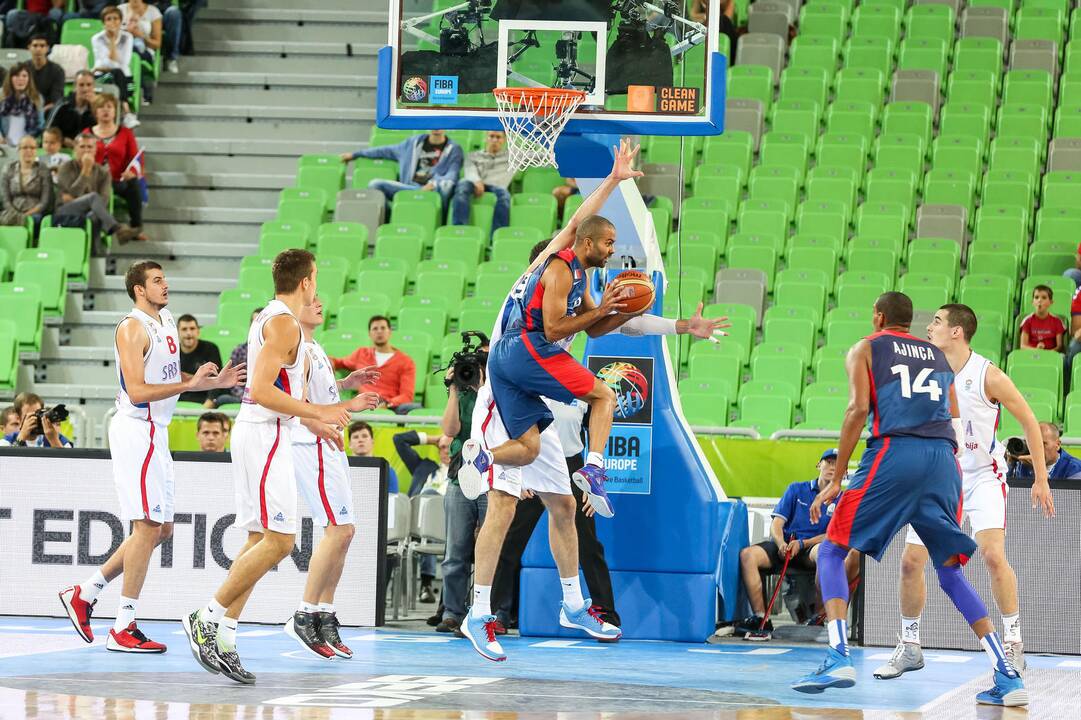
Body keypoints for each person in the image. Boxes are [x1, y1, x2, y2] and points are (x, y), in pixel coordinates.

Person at [456, 141, 728, 661]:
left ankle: (572, 602)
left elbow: (608, 321)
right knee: (504, 504)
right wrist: (614, 180)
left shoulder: (579, 278)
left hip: (539, 383)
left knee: (559, 500)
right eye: (605, 244)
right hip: (507, 379)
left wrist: (679, 326)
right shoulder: (553, 266)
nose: (610, 252)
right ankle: (479, 609)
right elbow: (567, 304)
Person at [792, 291, 1029, 708]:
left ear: (878, 315)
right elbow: (953, 420)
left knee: (831, 549)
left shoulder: (866, 347)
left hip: (894, 453)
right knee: (950, 573)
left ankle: (838, 655)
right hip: (943, 462)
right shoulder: (938, 358)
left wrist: (838, 477)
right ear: (911, 321)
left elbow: (856, 409)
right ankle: (1007, 676)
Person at [182, 249, 377, 685]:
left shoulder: (279, 321)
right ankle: (206, 615)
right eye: (317, 278)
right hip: (266, 432)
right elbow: (260, 390)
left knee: (258, 539)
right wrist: (322, 411)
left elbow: (289, 391)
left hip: (269, 431)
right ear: (307, 281)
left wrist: (318, 413)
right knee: (282, 541)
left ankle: (226, 637)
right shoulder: (284, 322)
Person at [57, 260, 244, 654]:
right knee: (145, 527)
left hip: (156, 431)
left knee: (162, 530)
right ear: (139, 289)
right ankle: (123, 625)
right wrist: (191, 383)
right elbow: (139, 390)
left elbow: (169, 381)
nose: (166, 285)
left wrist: (210, 383)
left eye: (165, 279)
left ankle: (85, 592)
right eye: (157, 281)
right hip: (136, 428)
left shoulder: (167, 319)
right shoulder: (131, 328)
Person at [874, 303, 1056, 680]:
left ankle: (1014, 642)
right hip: (941, 478)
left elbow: (1028, 421)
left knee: (991, 555)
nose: (929, 327)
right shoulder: (926, 369)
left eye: (937, 321)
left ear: (957, 331)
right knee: (910, 562)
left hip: (982, 477)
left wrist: (1041, 476)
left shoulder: (987, 374)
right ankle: (909, 645)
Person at [287, 295, 380, 660]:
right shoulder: (295, 348)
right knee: (337, 530)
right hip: (312, 441)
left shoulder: (315, 347)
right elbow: (290, 402)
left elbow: (316, 393)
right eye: (311, 302)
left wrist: (345, 383)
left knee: (345, 531)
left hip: (327, 442)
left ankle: (324, 615)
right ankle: (305, 612)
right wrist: (323, 420)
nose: (319, 304)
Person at [490, 399, 622, 633]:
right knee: (510, 542)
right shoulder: (529, 385)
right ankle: (497, 612)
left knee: (588, 543)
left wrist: (594, 486)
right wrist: (516, 476)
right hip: (532, 464)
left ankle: (606, 613)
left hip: (573, 467)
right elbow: (507, 432)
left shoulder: (582, 390)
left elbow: (598, 435)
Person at [736, 449, 859, 641]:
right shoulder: (796, 489)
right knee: (747, 555)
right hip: (785, 546)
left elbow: (833, 535)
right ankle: (761, 617)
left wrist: (802, 544)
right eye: (828, 462)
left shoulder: (844, 499)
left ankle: (818, 618)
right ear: (819, 465)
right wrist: (781, 543)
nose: (832, 467)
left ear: (845, 473)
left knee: (825, 555)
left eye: (838, 464)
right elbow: (777, 523)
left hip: (811, 548)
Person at [392, 427, 452, 604]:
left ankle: (426, 584)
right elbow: (399, 439)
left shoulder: (465, 473)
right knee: (429, 494)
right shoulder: (424, 467)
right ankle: (426, 585)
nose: (447, 450)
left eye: (451, 446)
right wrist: (434, 439)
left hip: (451, 523)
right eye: (443, 447)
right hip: (420, 524)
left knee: (432, 496)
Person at [340, 129, 463, 213]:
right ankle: (391, 216)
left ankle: (439, 219)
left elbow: (453, 174)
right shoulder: (412, 143)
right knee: (375, 184)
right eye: (433, 121)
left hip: (434, 191)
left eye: (441, 121)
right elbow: (385, 151)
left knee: (446, 186)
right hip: (409, 188)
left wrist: (434, 183)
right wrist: (356, 154)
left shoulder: (454, 149)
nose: (437, 126)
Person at [55, 133, 142, 246]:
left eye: (90, 147)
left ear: (95, 150)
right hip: (65, 211)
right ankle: (118, 229)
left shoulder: (103, 173)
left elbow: (103, 200)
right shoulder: (65, 168)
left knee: (95, 216)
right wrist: (85, 171)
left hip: (93, 211)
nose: (86, 150)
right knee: (93, 197)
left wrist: (86, 202)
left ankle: (95, 257)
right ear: (75, 149)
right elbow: (68, 196)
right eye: (82, 146)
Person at [330, 315, 418, 414]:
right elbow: (340, 363)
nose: (379, 331)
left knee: (413, 408)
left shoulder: (405, 361)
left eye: (383, 328)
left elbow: (406, 396)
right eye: (375, 328)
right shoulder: (361, 354)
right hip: (364, 404)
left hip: (390, 407)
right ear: (369, 334)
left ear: (390, 332)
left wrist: (387, 404)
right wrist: (329, 361)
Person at [89, 93, 145, 233]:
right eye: (101, 107)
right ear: (96, 111)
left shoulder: (126, 133)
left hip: (117, 180)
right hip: (94, 181)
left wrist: (131, 172)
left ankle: (136, 227)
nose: (106, 110)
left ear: (115, 111)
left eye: (109, 107)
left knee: (134, 184)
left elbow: (136, 158)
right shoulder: (87, 133)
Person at [451, 130, 513, 235]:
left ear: (504, 140)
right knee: (462, 186)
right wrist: (477, 181)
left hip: (498, 187)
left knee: (505, 196)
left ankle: (498, 234)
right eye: (491, 136)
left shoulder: (513, 156)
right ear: (485, 137)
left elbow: (540, 156)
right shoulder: (473, 155)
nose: (494, 140)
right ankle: (459, 228)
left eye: (498, 137)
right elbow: (469, 170)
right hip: (475, 183)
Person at [91, 5, 140, 128]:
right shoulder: (97, 39)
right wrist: (112, 41)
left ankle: (123, 114)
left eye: (115, 18)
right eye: (109, 19)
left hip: (126, 80)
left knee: (121, 76)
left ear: (120, 21)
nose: (112, 21)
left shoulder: (127, 37)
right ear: (104, 23)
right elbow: (104, 63)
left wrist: (108, 65)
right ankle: (126, 112)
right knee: (117, 73)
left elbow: (124, 62)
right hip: (101, 79)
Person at [1, 135, 52, 231]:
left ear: (36, 150)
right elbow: (5, 199)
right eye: (25, 147)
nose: (29, 151)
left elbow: (45, 201)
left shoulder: (43, 169)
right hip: (11, 211)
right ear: (18, 150)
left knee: (34, 220)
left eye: (32, 148)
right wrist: (16, 215)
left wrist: (25, 216)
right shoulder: (8, 169)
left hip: (35, 213)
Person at [213, 308, 261, 407]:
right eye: (254, 322)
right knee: (222, 399)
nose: (257, 326)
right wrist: (246, 397)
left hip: (267, 397)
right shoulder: (239, 350)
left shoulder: (276, 352)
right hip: (242, 396)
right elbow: (232, 380)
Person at [118, 0, 163, 104]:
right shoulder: (119, 10)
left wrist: (140, 35)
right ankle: (141, 91)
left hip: (145, 51)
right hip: (122, 49)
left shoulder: (153, 12)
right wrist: (127, 33)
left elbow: (157, 44)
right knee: (129, 54)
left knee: (134, 54)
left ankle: (137, 93)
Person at [176, 314, 223, 406]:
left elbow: (217, 380)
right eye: (184, 329)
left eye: (192, 329)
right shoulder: (171, 352)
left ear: (198, 331)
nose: (188, 333)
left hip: (203, 399)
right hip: (178, 400)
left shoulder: (211, 348)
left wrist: (208, 403)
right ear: (177, 332)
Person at [1009, 421, 1081, 481]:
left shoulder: (1075, 468)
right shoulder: (1022, 464)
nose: (1037, 449)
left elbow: (1066, 496)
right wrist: (1010, 465)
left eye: (1043, 444)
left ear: (1058, 444)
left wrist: (1038, 470)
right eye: (1032, 444)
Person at [1, 390, 73, 448]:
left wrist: (54, 440)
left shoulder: (58, 439)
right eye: (30, 416)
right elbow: (6, 463)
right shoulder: (8, 441)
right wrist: (21, 438)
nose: (35, 419)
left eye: (38, 414)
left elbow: (69, 464)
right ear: (18, 418)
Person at [48, 70, 97, 146]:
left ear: (94, 87)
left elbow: (106, 130)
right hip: (65, 150)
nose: (85, 89)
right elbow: (48, 132)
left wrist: (95, 106)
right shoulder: (62, 105)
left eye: (89, 85)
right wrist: (63, 140)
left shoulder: (99, 106)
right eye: (81, 85)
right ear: (74, 86)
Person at [348, 420, 398, 494]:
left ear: (372, 441)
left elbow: (392, 500)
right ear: (350, 444)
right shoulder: (341, 469)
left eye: (364, 436)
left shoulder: (387, 471)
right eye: (355, 437)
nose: (360, 440)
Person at [0, 63, 43, 148]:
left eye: (24, 76)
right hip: (4, 144)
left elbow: (40, 124)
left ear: (29, 79)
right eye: (16, 75)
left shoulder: (36, 97)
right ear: (10, 78)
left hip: (27, 144)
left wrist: (29, 141)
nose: (21, 79)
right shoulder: (1, 95)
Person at [1019, 285, 1065, 351]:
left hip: (1051, 355)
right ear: (1032, 302)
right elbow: (1023, 346)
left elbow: (1060, 347)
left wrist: (1046, 354)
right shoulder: (1027, 321)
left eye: (1044, 297)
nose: (1039, 300)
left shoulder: (1057, 321)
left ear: (1051, 302)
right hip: (1031, 354)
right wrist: (1037, 351)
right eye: (1036, 297)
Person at [27, 33, 65, 113]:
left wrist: (40, 112)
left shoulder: (57, 70)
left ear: (47, 48)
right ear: (29, 48)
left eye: (42, 46)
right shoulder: (23, 69)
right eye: (35, 45)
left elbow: (56, 100)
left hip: (47, 111)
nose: (38, 49)